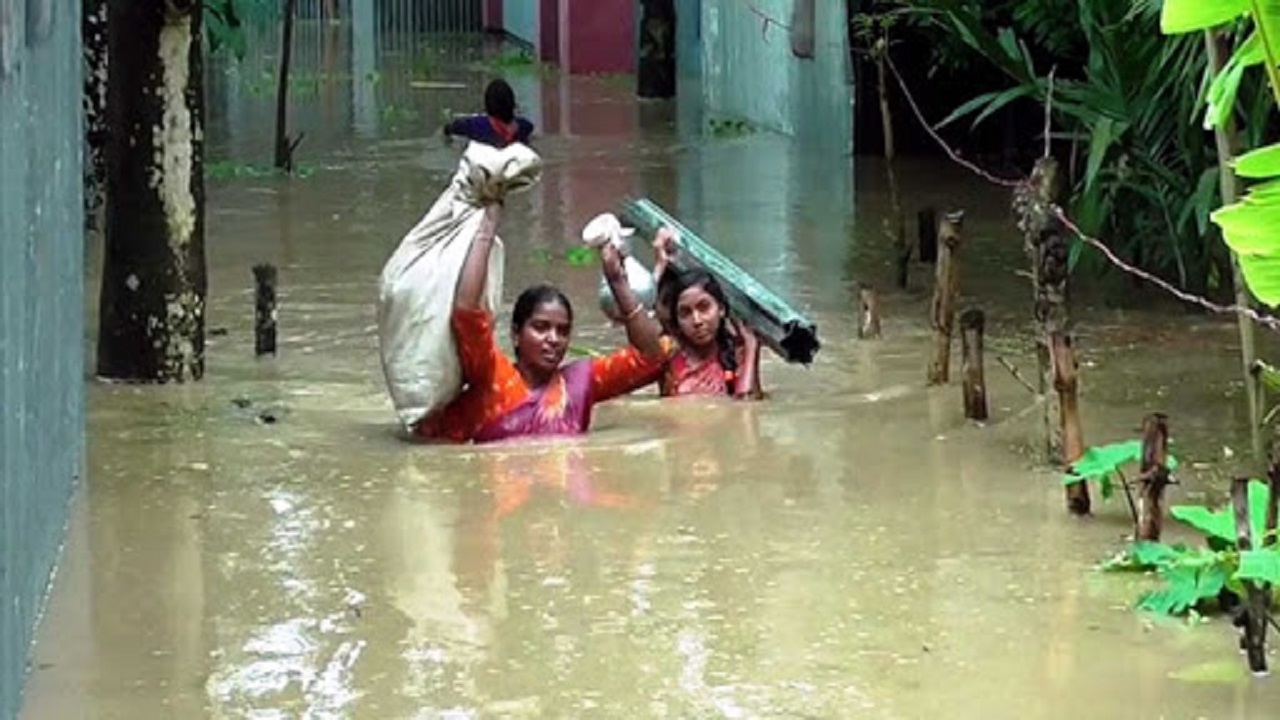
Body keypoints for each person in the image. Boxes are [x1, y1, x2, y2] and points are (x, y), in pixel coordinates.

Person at [414, 203, 670, 443]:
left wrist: (616, 280)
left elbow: (650, 358)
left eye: (563, 331)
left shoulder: (580, 383)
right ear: (516, 334)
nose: (553, 339)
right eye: (540, 327)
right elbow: (467, 312)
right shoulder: (492, 375)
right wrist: (487, 227)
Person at [651, 230, 764, 400]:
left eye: (704, 308)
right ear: (677, 320)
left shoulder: (737, 352)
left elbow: (747, 405)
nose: (697, 321)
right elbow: (650, 310)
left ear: (721, 309)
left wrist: (751, 347)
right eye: (685, 313)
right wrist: (660, 263)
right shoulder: (670, 351)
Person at [442, 79, 535, 149]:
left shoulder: (473, 125)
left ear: (487, 104)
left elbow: (448, 129)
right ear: (512, 103)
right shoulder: (524, 127)